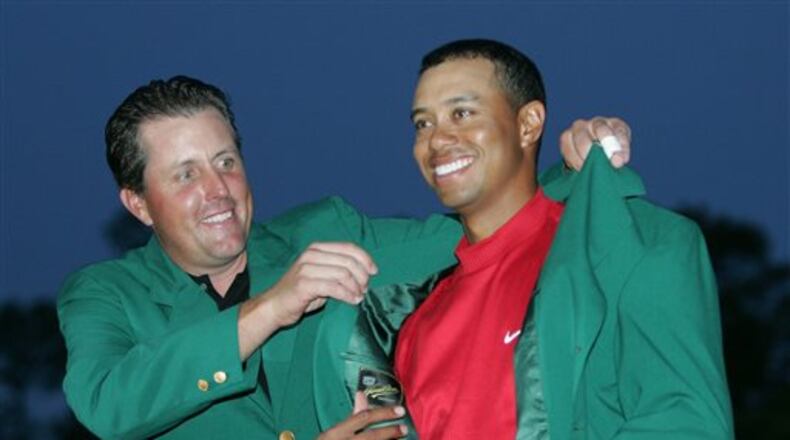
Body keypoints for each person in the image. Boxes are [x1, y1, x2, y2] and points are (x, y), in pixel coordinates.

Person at [57, 75, 628, 439]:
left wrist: (580, 169)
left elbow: (478, 236)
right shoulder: (104, 294)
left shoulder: (325, 230)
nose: (218, 191)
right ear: (138, 203)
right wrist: (272, 306)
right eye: (185, 175)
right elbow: (109, 404)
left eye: (226, 162)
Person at [383, 39, 732, 439]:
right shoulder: (417, 321)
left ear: (528, 124)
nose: (436, 139)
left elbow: (687, 425)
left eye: (461, 113)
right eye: (423, 124)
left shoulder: (633, 249)